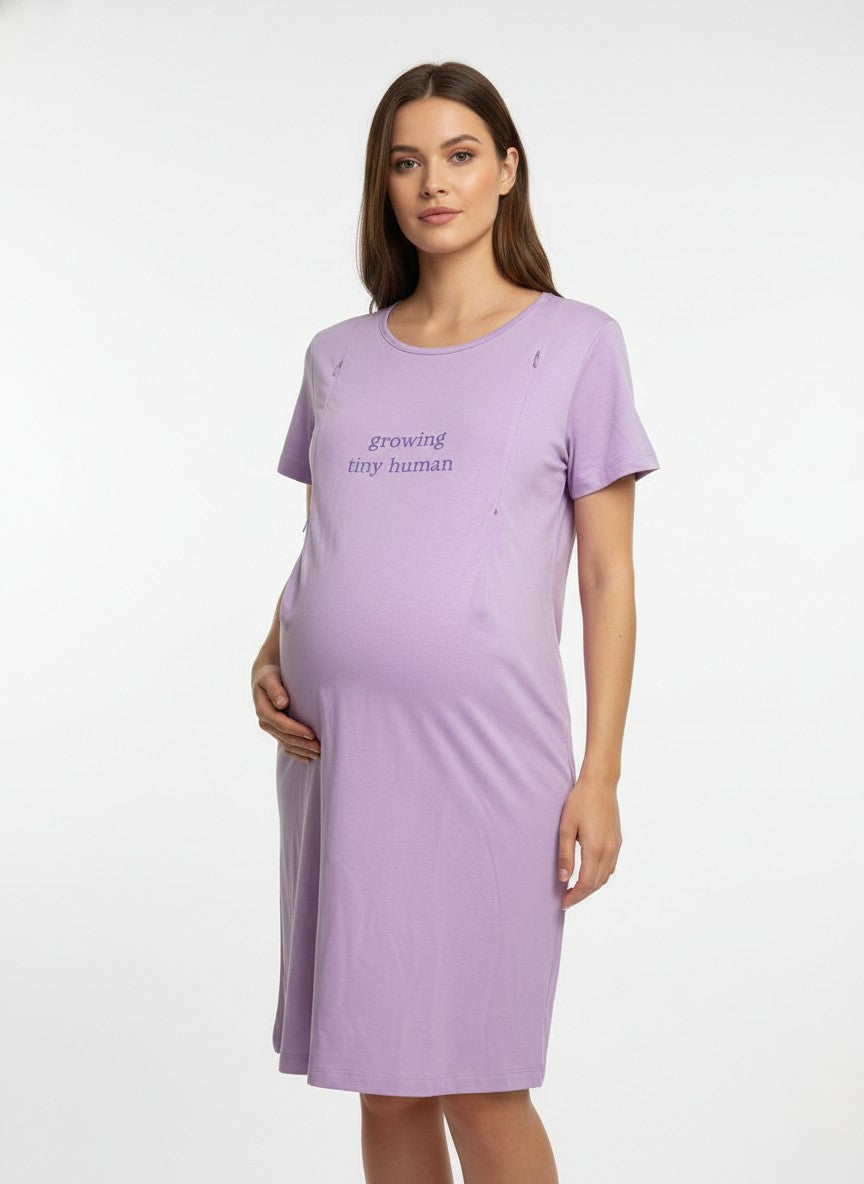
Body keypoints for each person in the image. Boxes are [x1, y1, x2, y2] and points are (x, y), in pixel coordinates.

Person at [250, 60, 660, 1184]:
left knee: (481, 1079)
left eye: (461, 154)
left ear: (507, 171)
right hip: (342, 755)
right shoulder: (338, 355)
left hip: (491, 762)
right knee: (383, 1080)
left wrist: (601, 775)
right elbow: (328, 538)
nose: (434, 182)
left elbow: (608, 577)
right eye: (407, 161)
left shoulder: (577, 343)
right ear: (382, 184)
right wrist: (269, 650)